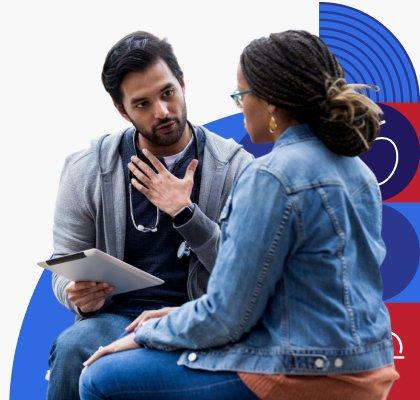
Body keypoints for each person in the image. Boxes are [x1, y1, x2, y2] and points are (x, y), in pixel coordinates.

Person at [79, 30, 400, 400]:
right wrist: (177, 317)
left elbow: (227, 317)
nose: (239, 106)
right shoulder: (357, 171)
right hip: (368, 367)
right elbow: (298, 293)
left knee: (100, 378)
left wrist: (146, 335)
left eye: (241, 95)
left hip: (301, 374)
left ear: (272, 104)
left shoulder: (269, 176)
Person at [47, 31, 253, 400]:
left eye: (168, 93)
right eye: (142, 104)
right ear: (122, 110)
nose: (162, 111)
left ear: (183, 84)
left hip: (201, 319)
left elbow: (248, 275)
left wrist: (186, 213)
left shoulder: (235, 168)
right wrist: (77, 295)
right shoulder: (87, 170)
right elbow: (65, 265)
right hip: (119, 321)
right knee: (73, 346)